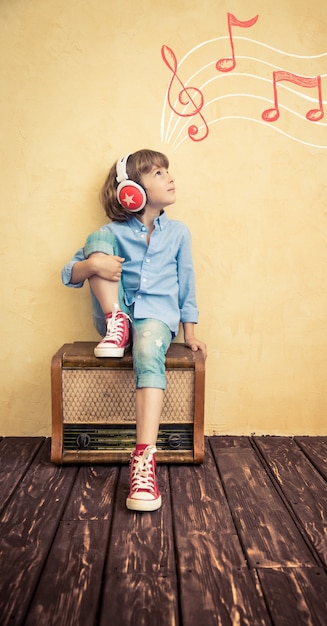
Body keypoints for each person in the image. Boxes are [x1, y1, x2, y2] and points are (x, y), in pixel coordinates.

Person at [61, 149, 207, 512]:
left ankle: (144, 459)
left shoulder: (178, 233)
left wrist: (189, 333)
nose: (169, 177)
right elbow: (69, 274)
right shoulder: (111, 233)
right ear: (130, 190)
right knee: (96, 244)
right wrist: (93, 263)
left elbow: (186, 284)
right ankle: (117, 322)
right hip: (116, 317)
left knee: (146, 351)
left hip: (156, 319)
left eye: (166, 171)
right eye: (158, 173)